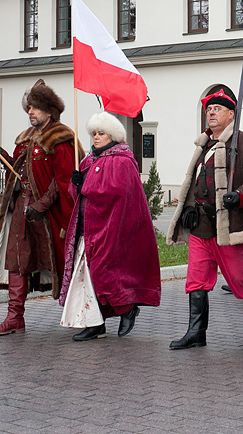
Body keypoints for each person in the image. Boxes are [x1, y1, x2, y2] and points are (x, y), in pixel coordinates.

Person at [166, 90, 243, 349]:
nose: (211, 112)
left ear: (231, 114)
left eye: (217, 109)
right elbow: (196, 182)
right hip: (202, 226)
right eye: (208, 108)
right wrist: (189, 206)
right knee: (196, 278)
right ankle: (196, 332)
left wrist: (240, 195)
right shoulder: (204, 144)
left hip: (231, 225)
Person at [0, 80, 79, 335]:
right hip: (23, 210)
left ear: (49, 111)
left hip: (50, 215)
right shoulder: (25, 138)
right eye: (29, 107)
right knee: (17, 260)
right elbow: (20, 171)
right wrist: (1, 155)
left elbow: (64, 179)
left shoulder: (61, 137)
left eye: (34, 107)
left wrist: (42, 204)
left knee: (62, 263)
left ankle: (84, 313)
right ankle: (14, 317)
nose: (30, 112)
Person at [59, 112, 161, 340]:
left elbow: (115, 191)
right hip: (87, 228)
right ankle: (95, 323)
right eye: (94, 133)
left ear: (112, 135)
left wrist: (85, 185)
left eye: (101, 133)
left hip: (110, 229)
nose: (96, 137)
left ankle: (127, 309)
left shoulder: (122, 160)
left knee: (105, 273)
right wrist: (75, 185)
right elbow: (78, 195)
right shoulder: (88, 161)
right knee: (86, 275)